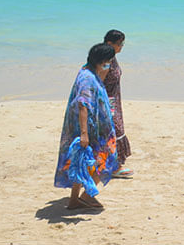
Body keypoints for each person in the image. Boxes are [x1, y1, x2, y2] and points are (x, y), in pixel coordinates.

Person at [54, 43, 119, 210]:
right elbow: (83, 104)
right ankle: (87, 196)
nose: (109, 64)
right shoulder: (87, 78)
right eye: (108, 61)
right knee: (108, 159)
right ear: (102, 60)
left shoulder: (88, 71)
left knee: (81, 161)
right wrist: (84, 133)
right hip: (91, 129)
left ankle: (74, 200)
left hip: (91, 127)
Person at [102, 30, 133, 178]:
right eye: (120, 44)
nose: (122, 46)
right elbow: (99, 79)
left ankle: (112, 164)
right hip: (108, 100)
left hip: (114, 98)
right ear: (110, 44)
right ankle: (115, 167)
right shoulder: (105, 59)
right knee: (115, 130)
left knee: (114, 129)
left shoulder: (111, 57)